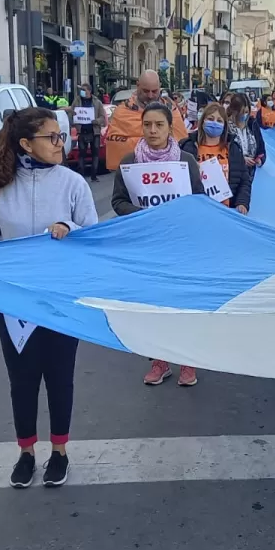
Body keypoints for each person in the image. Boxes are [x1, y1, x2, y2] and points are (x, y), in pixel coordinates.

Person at [0, 107, 97, 489]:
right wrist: (1, 274)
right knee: (22, 380)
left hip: (60, 297)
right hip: (15, 302)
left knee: (60, 377)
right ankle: (26, 453)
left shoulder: (73, 183)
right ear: (26, 143)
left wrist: (69, 227)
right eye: (52, 137)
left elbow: (93, 235)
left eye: (62, 136)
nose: (61, 143)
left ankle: (59, 451)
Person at [110, 103, 206, 387]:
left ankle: (188, 361)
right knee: (154, 305)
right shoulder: (129, 162)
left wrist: (180, 214)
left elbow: (200, 200)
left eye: (159, 125)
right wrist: (143, 214)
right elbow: (118, 201)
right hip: (146, 246)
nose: (152, 130)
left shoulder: (186, 162)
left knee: (183, 304)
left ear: (169, 128)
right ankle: (159, 361)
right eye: (147, 125)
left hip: (180, 246)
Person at [182, 101, 252, 213]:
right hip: (198, 210)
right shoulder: (188, 147)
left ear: (224, 125)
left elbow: (244, 180)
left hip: (227, 211)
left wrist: (242, 202)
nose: (214, 123)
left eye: (219, 121)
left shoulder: (233, 148)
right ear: (202, 121)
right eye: (210, 119)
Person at [226, 93, 265, 184]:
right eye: (241, 112)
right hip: (233, 176)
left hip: (251, 175)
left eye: (246, 112)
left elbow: (261, 149)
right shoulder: (226, 127)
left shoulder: (253, 125)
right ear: (234, 111)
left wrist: (260, 160)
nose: (244, 115)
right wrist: (241, 160)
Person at [70, 82, 106, 180]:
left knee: (95, 154)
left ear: (89, 91)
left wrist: (96, 121)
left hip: (94, 131)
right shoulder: (77, 101)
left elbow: (102, 117)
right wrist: (74, 119)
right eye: (81, 90)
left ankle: (94, 175)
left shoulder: (97, 102)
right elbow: (71, 114)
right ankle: (81, 175)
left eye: (84, 90)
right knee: (82, 154)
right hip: (82, 131)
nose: (82, 92)